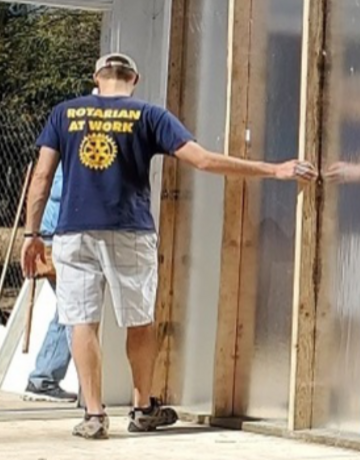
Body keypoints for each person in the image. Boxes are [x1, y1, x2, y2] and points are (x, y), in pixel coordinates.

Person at [20, 53, 317, 440]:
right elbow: (204, 161)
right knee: (139, 319)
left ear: (96, 77)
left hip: (74, 232)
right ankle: (142, 408)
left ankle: (94, 415)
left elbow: (42, 175)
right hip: (130, 229)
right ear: (135, 79)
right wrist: (273, 169)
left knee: (81, 321)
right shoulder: (150, 115)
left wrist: (31, 235)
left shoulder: (65, 113)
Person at [23, 165, 77, 403]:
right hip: (58, 235)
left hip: (51, 232)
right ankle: (44, 377)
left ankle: (44, 377)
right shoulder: (72, 156)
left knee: (67, 308)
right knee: (73, 309)